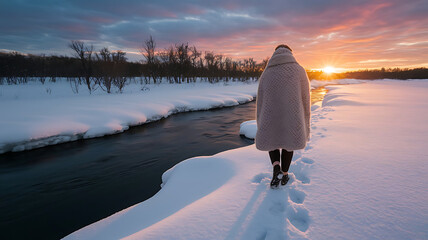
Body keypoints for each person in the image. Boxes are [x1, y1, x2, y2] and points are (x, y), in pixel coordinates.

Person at [255, 44, 311, 188]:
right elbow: (306, 98)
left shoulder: (267, 72)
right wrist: (305, 118)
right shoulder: (299, 71)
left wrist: (260, 118)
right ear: (290, 53)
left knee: (271, 139)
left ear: (275, 54)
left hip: (270, 114)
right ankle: (285, 174)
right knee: (289, 143)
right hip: (293, 115)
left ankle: (276, 168)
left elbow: (260, 98)